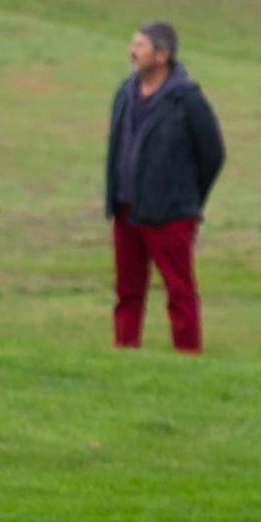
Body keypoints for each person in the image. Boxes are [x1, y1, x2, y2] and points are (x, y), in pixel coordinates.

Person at [103, 21, 225, 353]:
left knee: (179, 290)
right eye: (134, 44)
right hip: (126, 207)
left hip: (170, 213)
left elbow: (212, 154)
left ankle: (187, 359)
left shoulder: (187, 99)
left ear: (162, 55)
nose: (133, 51)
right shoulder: (124, 93)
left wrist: (185, 196)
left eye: (140, 45)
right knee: (127, 289)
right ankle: (124, 350)